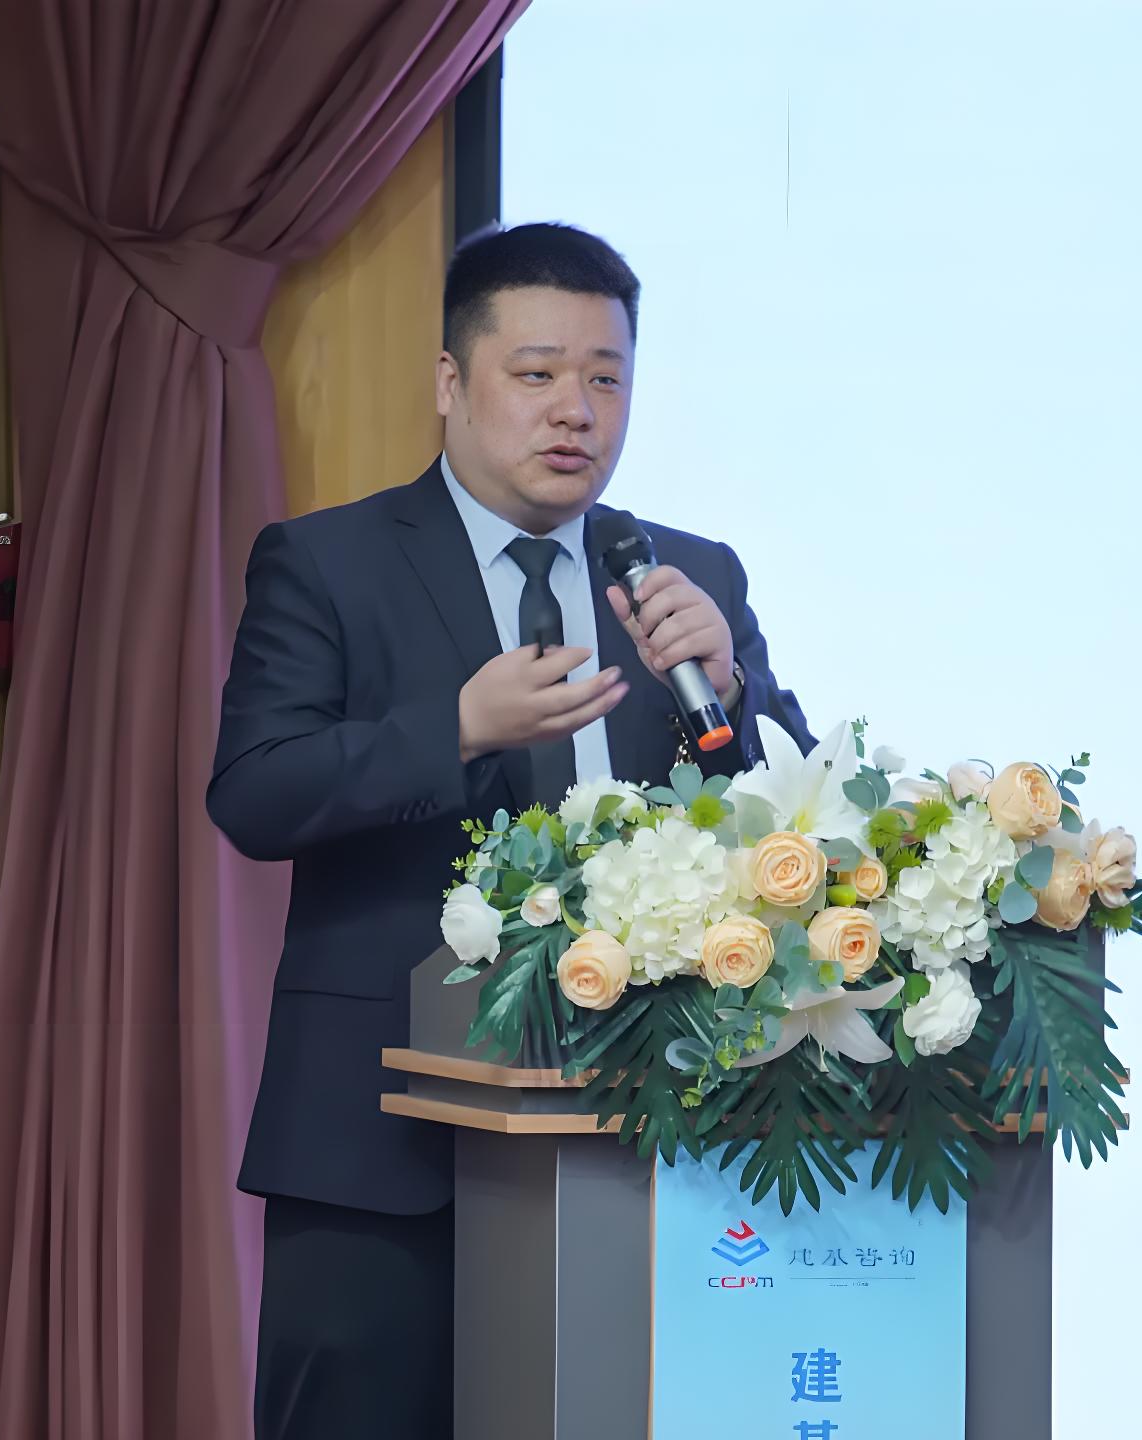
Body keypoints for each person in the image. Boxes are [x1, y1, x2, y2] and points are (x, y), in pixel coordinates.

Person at [206, 222, 813, 1439]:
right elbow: (255, 791)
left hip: (642, 1134)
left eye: (606, 379)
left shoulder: (688, 574)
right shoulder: (329, 563)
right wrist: (455, 728)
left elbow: (792, 825)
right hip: (377, 1138)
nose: (575, 410)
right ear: (452, 382)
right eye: (537, 374)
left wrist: (734, 695)